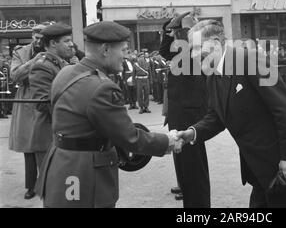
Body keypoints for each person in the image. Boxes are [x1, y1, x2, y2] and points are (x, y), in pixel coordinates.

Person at [34, 21, 180, 208]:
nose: (126, 56)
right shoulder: (102, 87)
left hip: (61, 165)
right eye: (124, 50)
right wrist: (168, 140)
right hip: (83, 174)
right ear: (105, 50)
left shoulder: (65, 72)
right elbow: (130, 138)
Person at [177, 20, 286, 208]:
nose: (193, 55)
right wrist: (192, 133)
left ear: (217, 42)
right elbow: (216, 117)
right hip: (259, 167)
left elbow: (283, 108)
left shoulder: (251, 59)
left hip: (283, 164)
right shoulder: (212, 75)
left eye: (197, 48)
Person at [159, 12, 211, 208]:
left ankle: (199, 208)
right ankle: (190, 201)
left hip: (191, 116)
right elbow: (164, 51)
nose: (176, 36)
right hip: (179, 114)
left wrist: (187, 29)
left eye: (179, 32)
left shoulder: (197, 50)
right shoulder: (183, 50)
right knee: (184, 166)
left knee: (194, 168)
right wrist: (169, 28)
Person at [8, 24, 47, 200]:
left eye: (41, 38)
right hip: (26, 98)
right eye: (36, 37)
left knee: (46, 143)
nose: (38, 41)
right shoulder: (20, 52)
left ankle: (46, 182)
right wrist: (35, 60)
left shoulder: (52, 48)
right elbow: (15, 75)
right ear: (32, 35)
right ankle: (31, 186)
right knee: (28, 146)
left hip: (46, 95)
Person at [28, 23, 74, 172]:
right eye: (66, 41)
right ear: (53, 44)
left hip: (62, 135)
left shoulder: (62, 64)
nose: (71, 44)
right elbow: (43, 103)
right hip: (49, 138)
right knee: (53, 189)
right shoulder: (42, 66)